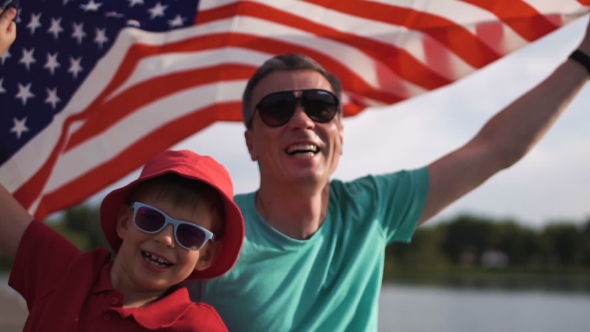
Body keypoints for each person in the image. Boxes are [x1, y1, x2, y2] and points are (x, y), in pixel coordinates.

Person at [187, 19, 590, 331]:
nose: (302, 121)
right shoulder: (209, 234)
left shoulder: (372, 208)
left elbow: (493, 149)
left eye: (320, 106)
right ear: (251, 143)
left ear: (339, 136)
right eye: (277, 109)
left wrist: (585, 57)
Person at [0, 149, 245, 331]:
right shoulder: (66, 272)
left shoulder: (199, 327)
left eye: (189, 234)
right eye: (151, 218)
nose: (165, 239)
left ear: (206, 255)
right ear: (124, 222)